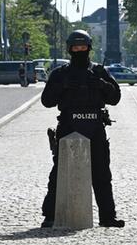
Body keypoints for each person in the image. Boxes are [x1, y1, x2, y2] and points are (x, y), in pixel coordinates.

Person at [40, 30, 124, 228]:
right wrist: (63, 86)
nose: (79, 50)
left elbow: (115, 98)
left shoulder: (99, 71)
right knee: (59, 173)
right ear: (70, 49)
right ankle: (50, 215)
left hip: (95, 125)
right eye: (76, 47)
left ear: (89, 48)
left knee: (102, 173)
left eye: (83, 47)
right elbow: (47, 101)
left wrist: (101, 85)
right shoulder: (61, 74)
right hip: (69, 125)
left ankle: (107, 216)